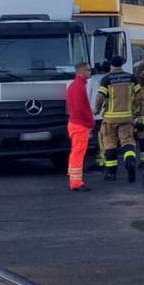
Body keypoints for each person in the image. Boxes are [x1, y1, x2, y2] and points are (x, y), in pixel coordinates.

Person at [93, 55, 141, 183]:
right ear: (121, 64)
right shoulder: (131, 78)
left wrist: (96, 110)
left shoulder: (106, 79)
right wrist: (134, 110)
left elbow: (99, 97)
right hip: (126, 117)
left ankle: (111, 173)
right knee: (127, 142)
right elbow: (140, 96)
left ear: (111, 65)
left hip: (110, 119)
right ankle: (130, 162)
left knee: (109, 144)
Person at [66, 62, 95, 192]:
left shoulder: (74, 86)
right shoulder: (79, 87)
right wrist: (90, 122)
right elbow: (81, 108)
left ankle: (73, 176)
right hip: (80, 125)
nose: (90, 72)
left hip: (75, 123)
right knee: (78, 152)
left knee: (75, 152)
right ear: (81, 71)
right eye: (88, 70)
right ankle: (76, 182)